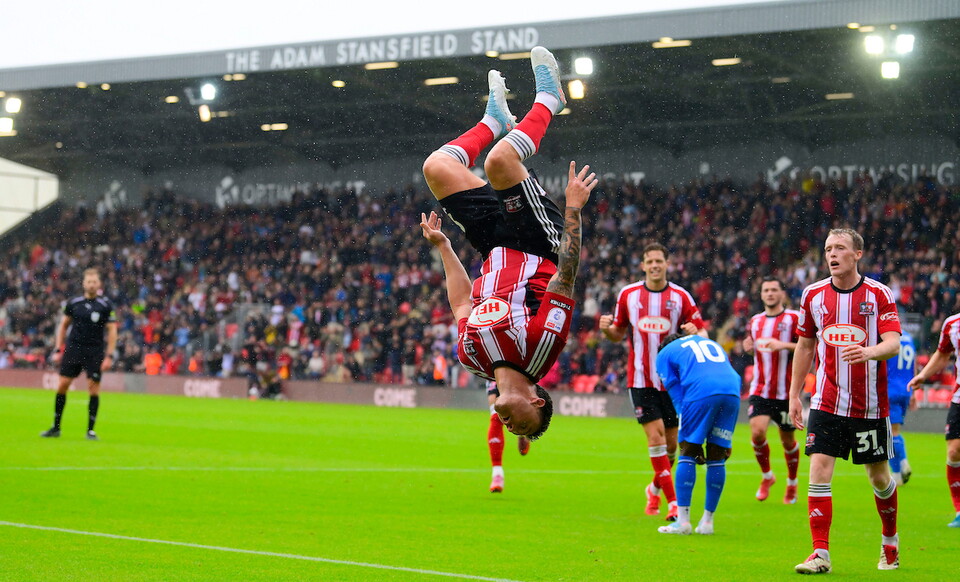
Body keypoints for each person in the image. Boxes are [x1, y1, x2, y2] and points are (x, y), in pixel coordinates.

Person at [420, 46, 596, 441]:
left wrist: (444, 248)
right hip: (538, 243)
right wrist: (573, 210)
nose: (510, 427)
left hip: (492, 247)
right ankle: (551, 99)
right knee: (500, 162)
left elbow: (462, 303)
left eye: (510, 430)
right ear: (537, 402)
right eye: (522, 426)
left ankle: (493, 120)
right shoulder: (539, 351)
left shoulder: (472, 359)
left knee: (437, 168)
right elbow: (565, 278)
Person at [787, 228, 902, 574]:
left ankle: (890, 541)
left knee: (879, 478)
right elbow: (805, 347)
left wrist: (869, 351)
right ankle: (820, 553)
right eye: (827, 249)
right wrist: (794, 394)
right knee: (819, 469)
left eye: (840, 248)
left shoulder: (879, 294)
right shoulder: (813, 295)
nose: (832, 254)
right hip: (826, 400)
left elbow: (893, 342)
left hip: (869, 406)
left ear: (857, 254)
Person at [599, 243, 707, 521]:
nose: (655, 265)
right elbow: (617, 334)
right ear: (643, 265)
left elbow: (702, 332)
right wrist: (606, 329)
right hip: (641, 379)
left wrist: (696, 332)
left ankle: (654, 488)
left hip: (673, 382)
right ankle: (673, 503)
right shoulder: (628, 295)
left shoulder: (681, 296)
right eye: (650, 261)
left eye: (660, 260)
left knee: (672, 447)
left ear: (667, 264)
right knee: (656, 438)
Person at [654, 333, 741, 535]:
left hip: (701, 390)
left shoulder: (664, 354)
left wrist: (689, 438)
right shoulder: (708, 342)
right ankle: (707, 523)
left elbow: (675, 391)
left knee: (687, 452)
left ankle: (682, 522)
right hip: (732, 390)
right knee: (717, 455)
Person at [742, 277, 801, 503]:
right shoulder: (755, 321)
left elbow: (809, 347)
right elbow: (753, 346)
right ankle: (767, 476)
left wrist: (784, 345)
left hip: (787, 392)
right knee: (757, 433)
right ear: (761, 295)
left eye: (774, 290)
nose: (770, 293)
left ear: (782, 294)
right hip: (761, 389)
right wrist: (747, 347)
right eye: (766, 290)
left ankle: (792, 483)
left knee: (787, 441)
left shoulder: (794, 318)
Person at [41, 268, 118, 441]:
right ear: (84, 283)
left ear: (99, 284)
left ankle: (90, 430)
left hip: (94, 350)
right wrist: (58, 348)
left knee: (93, 387)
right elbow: (63, 325)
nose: (91, 284)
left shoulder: (106, 305)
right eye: (88, 281)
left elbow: (112, 331)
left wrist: (110, 355)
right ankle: (56, 427)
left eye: (94, 282)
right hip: (74, 348)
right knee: (63, 385)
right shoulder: (74, 302)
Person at [906, 312, 960, 528]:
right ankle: (959, 509)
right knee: (954, 451)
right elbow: (942, 354)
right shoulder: (952, 324)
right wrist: (923, 375)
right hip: (959, 397)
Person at [486, 381, 531, 493]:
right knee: (496, 416)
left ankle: (521, 432)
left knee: (517, 409)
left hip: (516, 368)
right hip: (494, 369)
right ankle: (497, 474)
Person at [887, 331, 917, 485]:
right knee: (893, 431)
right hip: (905, 389)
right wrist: (913, 392)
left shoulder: (887, 338)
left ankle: (902, 463)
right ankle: (897, 474)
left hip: (889, 389)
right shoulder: (909, 337)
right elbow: (913, 364)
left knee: (891, 433)